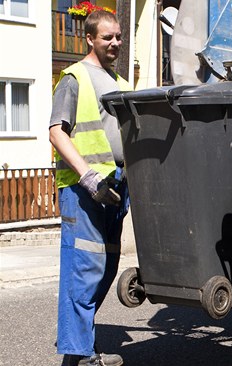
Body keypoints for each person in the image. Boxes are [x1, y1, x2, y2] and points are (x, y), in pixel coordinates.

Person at [49, 10, 132, 366]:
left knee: (106, 267)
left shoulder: (123, 83)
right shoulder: (74, 78)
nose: (114, 43)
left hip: (115, 188)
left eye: (117, 37)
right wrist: (86, 176)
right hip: (83, 191)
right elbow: (56, 131)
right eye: (106, 38)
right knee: (83, 269)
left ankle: (79, 347)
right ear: (89, 39)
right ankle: (79, 356)